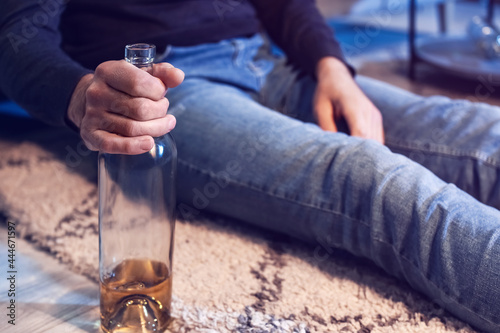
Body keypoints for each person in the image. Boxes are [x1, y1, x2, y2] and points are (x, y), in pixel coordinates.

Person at [1, 0, 499, 331]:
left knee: (477, 130)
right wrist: (84, 97)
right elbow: (16, 34)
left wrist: (331, 67)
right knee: (371, 178)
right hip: (162, 88)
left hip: (271, 61)